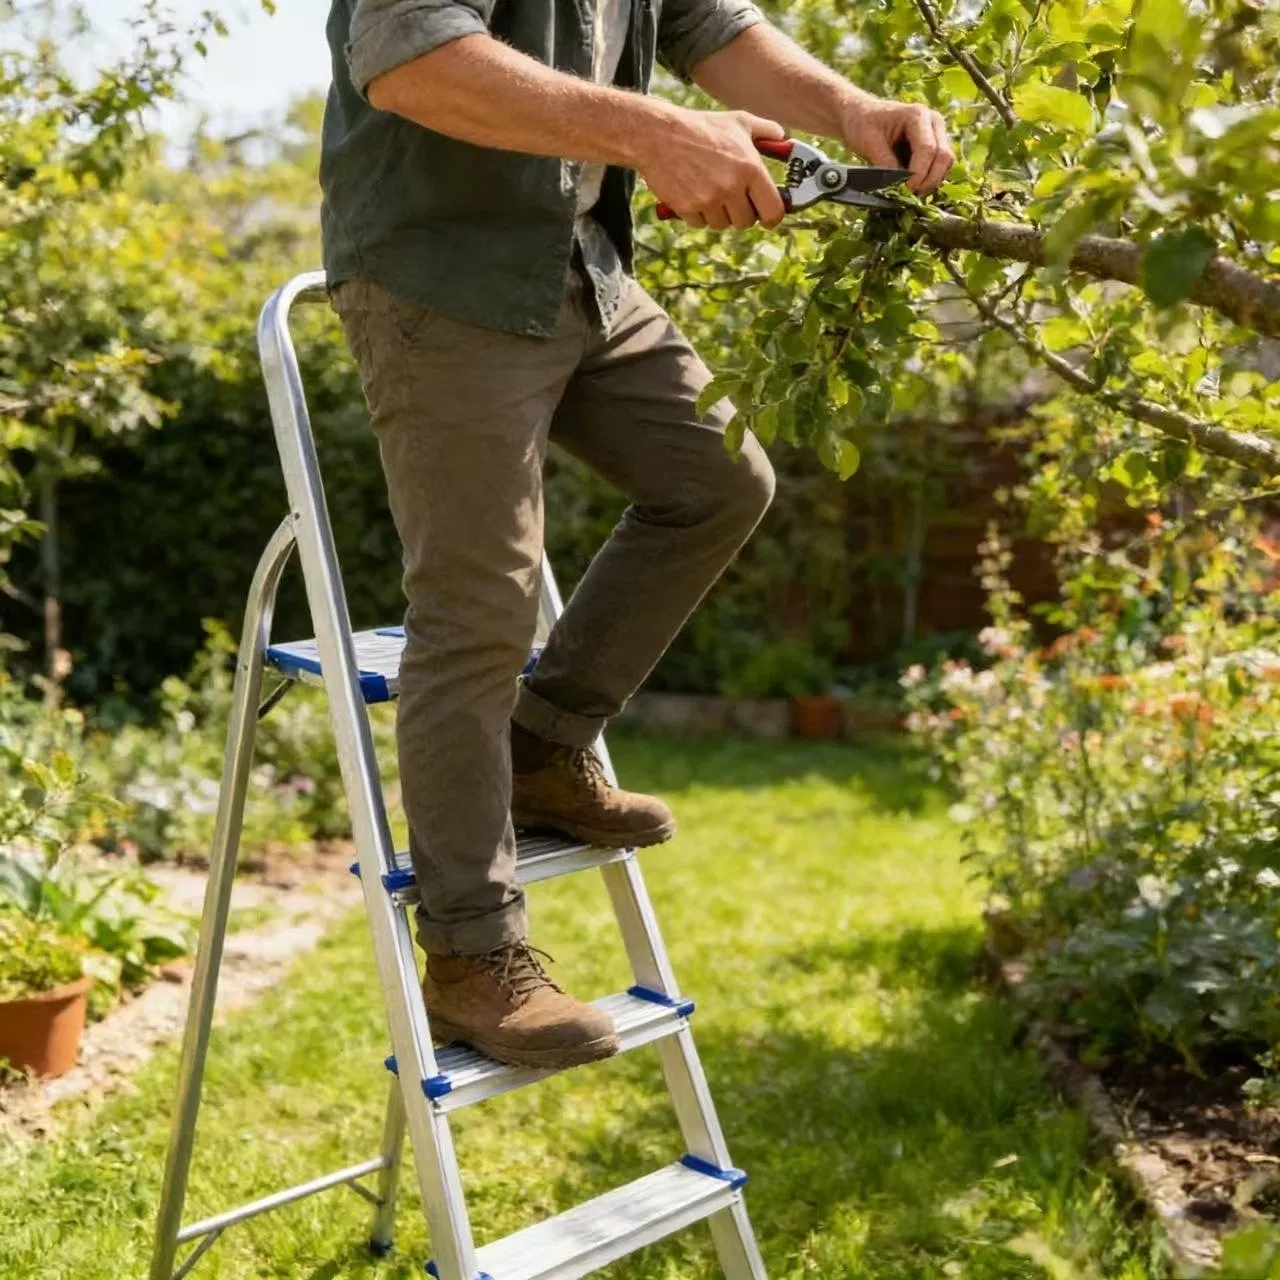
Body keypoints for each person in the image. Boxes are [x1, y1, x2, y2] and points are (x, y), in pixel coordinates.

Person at [321, 0, 953, 1071]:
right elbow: (408, 60)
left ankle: (541, 738)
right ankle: (472, 956)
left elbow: (709, 31)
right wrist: (649, 132)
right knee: (478, 610)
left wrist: (851, 111)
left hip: (581, 269)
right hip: (443, 280)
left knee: (715, 481)